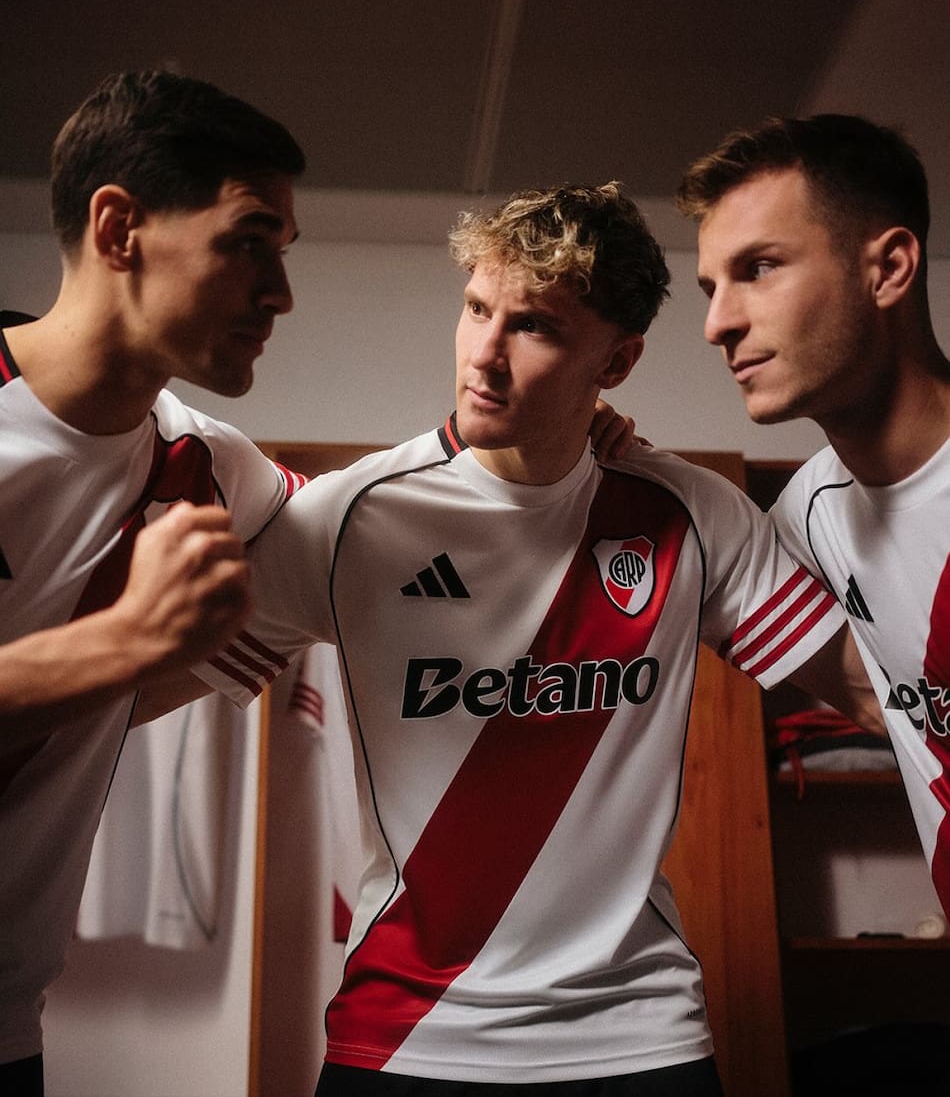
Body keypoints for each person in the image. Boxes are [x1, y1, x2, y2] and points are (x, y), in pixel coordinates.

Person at [191, 181, 877, 1095]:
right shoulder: (351, 517)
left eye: (537, 328)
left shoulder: (690, 513)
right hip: (407, 1033)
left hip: (638, 1032)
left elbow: (879, 695)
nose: (484, 353)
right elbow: (141, 692)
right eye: (477, 308)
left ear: (618, 361)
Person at [0, 69, 309, 1094]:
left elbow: (365, 530)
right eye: (248, 240)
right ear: (119, 227)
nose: (280, 293)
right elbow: (135, 645)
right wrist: (129, 642)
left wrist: (568, 442)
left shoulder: (217, 469)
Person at [676, 113, 950, 913]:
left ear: (889, 268)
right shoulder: (805, 523)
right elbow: (883, 705)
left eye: (758, 268)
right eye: (711, 286)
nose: (717, 322)